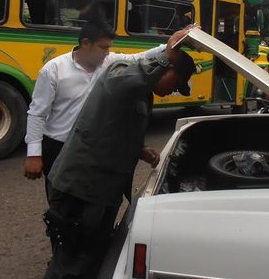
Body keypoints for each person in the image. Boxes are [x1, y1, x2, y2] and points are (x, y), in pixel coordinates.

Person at [43, 28, 196, 278]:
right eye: (177, 83)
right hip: (81, 188)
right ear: (167, 68)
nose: (173, 91)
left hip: (102, 190)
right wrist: (165, 54)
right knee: (72, 262)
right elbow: (120, 84)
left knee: (94, 255)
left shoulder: (140, 93)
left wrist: (139, 150)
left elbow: (112, 127)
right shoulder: (120, 72)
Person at [23, 22, 169, 197]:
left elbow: (139, 58)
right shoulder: (53, 70)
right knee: (60, 202)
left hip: (92, 148)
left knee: (88, 200)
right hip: (59, 147)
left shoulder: (108, 62)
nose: (107, 53)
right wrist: (34, 155)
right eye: (103, 47)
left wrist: (173, 43)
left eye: (108, 48)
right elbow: (37, 114)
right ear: (85, 43)